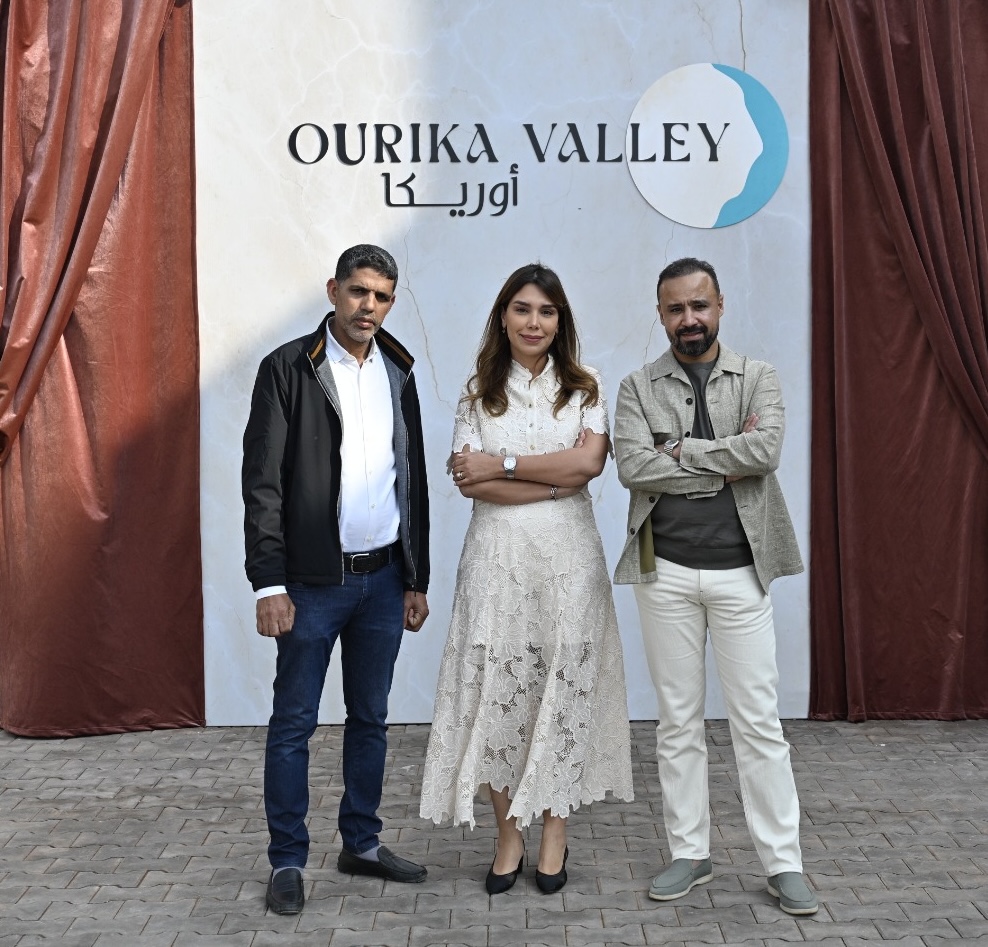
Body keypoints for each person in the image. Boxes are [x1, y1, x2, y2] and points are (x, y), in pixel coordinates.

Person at [612, 257, 817, 916]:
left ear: (720, 305)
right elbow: (633, 467)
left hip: (741, 572)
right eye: (676, 308)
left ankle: (783, 863)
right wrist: (723, 460)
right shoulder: (637, 387)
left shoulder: (758, 377)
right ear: (660, 314)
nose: (689, 319)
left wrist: (682, 450)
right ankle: (689, 852)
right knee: (678, 721)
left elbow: (765, 452)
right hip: (665, 573)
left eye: (699, 305)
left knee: (758, 721)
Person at [419, 263, 633, 895]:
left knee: (563, 690)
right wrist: (552, 480)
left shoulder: (586, 386)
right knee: (498, 695)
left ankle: (554, 833)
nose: (534, 321)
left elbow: (588, 464)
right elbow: (470, 482)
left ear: (560, 321)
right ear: (503, 317)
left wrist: (506, 464)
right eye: (522, 309)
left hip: (570, 565)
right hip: (496, 562)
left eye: (546, 310)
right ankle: (509, 833)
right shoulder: (477, 392)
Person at [242, 244, 431, 916]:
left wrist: (416, 576)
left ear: (391, 301)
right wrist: (268, 583)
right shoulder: (289, 367)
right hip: (310, 585)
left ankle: (362, 844)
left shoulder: (399, 369)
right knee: (294, 723)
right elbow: (262, 483)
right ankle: (287, 860)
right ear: (332, 290)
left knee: (371, 719)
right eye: (358, 291)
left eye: (381, 296)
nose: (367, 306)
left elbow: (411, 478)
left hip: (384, 580)